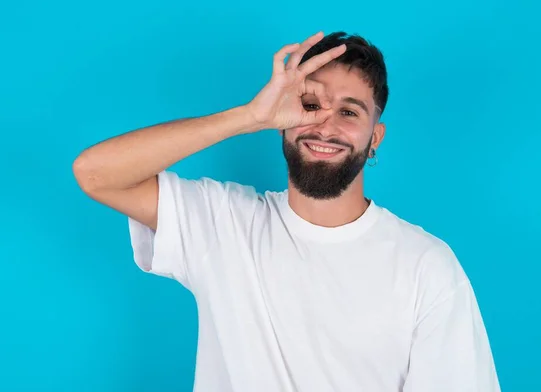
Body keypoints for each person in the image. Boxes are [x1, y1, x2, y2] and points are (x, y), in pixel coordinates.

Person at [73, 31, 501, 392]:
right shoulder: (222, 223)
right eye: (311, 105)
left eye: (350, 112)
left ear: (375, 138)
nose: (325, 126)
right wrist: (249, 116)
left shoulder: (427, 266)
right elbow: (95, 174)